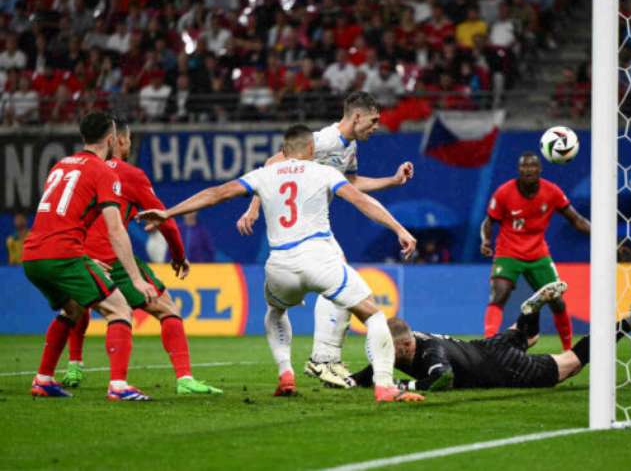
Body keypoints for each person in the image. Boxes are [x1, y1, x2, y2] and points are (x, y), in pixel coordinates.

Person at [137, 125, 424, 403]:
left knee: (275, 313)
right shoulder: (324, 171)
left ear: (284, 151)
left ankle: (286, 372)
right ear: (311, 148)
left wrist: (168, 212)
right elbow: (361, 201)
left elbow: (217, 194)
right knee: (373, 315)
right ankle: (384, 387)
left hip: (280, 266)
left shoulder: (264, 174)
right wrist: (398, 228)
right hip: (320, 258)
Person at [236, 91, 414, 388]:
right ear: (357, 116)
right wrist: (253, 208)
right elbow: (273, 163)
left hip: (317, 229)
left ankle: (325, 359)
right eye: (373, 120)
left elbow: (354, 183)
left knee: (342, 284)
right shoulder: (322, 140)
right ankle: (323, 359)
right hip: (301, 232)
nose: (376, 126)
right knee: (342, 285)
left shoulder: (350, 147)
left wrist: (392, 181)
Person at [59, 120, 222, 395]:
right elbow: (165, 220)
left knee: (74, 308)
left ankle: (72, 366)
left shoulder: (75, 168)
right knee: (167, 308)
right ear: (119, 141)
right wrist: (179, 255)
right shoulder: (130, 174)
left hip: (80, 256)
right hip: (115, 258)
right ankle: (183, 379)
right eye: (129, 138)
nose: (131, 143)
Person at [21, 112, 157, 400]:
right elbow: (116, 229)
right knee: (120, 309)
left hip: (33, 255)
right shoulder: (104, 172)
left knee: (72, 309)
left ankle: (43, 379)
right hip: (62, 255)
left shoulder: (61, 165)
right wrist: (136, 278)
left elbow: (62, 217)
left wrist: (80, 257)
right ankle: (119, 387)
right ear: (111, 140)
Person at [339, 284, 631, 391]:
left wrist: (402, 386)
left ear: (408, 343)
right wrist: (353, 381)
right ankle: (528, 311)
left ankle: (629, 322)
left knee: (572, 363)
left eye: (398, 348)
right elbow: (377, 366)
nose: (395, 353)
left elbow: (442, 378)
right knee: (531, 336)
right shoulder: (400, 345)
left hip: (500, 367)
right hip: (484, 347)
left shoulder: (429, 352)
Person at [480, 151, 590, 349]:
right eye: (524, 166)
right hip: (508, 252)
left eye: (532, 166)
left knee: (557, 301)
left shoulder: (552, 191)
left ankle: (568, 349)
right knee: (499, 294)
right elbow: (488, 222)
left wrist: (604, 237)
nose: (528, 169)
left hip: (538, 254)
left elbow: (577, 220)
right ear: (518, 170)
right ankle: (489, 345)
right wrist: (486, 241)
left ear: (540, 169)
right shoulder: (504, 192)